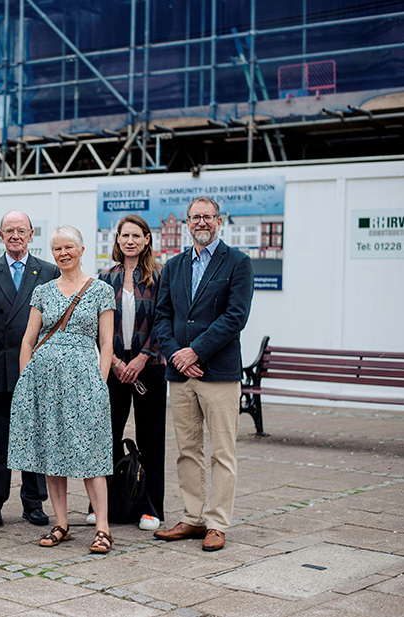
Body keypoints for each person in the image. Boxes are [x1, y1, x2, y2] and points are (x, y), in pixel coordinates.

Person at [153, 196, 254, 552]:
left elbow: (235, 317)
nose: (201, 222)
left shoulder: (238, 263)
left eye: (207, 217)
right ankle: (192, 518)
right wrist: (175, 356)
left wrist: (196, 350)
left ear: (219, 221)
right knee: (187, 450)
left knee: (222, 452)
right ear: (187, 221)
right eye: (195, 217)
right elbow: (161, 317)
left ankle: (216, 522)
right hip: (182, 376)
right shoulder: (175, 265)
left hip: (219, 373)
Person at [8, 225, 116, 554]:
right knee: (52, 454)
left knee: (91, 455)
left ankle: (102, 527)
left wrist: (100, 383)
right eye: (57, 249)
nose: (63, 253)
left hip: (85, 384)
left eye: (69, 247)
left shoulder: (100, 291)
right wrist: (28, 380)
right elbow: (28, 340)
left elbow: (107, 342)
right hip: (45, 385)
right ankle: (61, 523)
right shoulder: (42, 291)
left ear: (81, 250)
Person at [0, 211, 59, 528]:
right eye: (9, 230)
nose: (15, 236)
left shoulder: (48, 271)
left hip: (35, 367)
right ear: (0, 235)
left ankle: (33, 502)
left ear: (31, 233)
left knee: (34, 437)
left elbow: (55, 320)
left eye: (20, 230)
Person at [95, 214, 166, 531]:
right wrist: (115, 363)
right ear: (118, 240)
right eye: (125, 235)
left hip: (149, 369)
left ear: (147, 240)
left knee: (151, 438)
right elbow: (98, 326)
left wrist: (142, 358)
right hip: (114, 369)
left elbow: (164, 322)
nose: (130, 241)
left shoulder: (159, 276)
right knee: (107, 436)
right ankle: (105, 504)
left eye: (137, 236)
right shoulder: (105, 278)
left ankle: (151, 507)